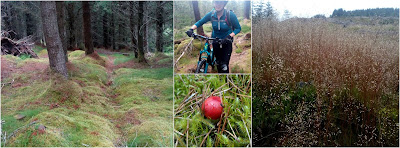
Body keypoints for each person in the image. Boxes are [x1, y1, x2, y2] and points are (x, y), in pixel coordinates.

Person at [186, 0, 241, 73]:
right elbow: (200, 22)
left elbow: (238, 28)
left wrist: (229, 36)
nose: (218, 4)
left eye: (220, 2)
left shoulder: (230, 15)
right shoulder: (211, 14)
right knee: (218, 63)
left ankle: (226, 80)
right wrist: (191, 29)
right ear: (214, 3)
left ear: (224, 3)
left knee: (224, 65)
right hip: (215, 40)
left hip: (226, 41)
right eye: (216, 2)